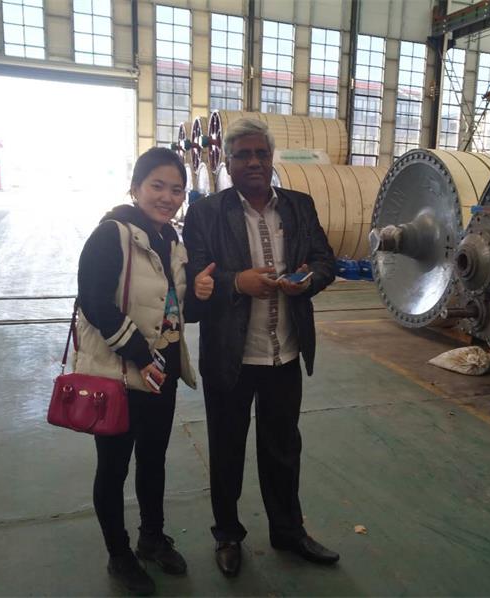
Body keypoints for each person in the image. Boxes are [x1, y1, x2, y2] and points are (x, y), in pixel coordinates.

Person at [183, 118, 339, 578]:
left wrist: (307, 280)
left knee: (283, 449)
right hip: (230, 356)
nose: (253, 162)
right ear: (227, 162)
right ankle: (228, 535)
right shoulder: (205, 213)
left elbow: (325, 260)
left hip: (283, 353)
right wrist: (238, 283)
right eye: (243, 155)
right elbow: (194, 280)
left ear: (271, 160)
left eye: (261, 154)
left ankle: (287, 531)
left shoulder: (299, 205)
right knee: (227, 450)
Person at [75, 147, 197, 596]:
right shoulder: (111, 234)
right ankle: (119, 554)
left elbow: (174, 305)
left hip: (160, 373)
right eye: (157, 186)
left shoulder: (172, 240)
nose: (167, 197)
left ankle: (152, 537)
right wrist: (140, 354)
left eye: (176, 189)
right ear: (135, 188)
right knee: (113, 467)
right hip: (118, 373)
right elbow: (94, 302)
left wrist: (200, 291)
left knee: (153, 458)